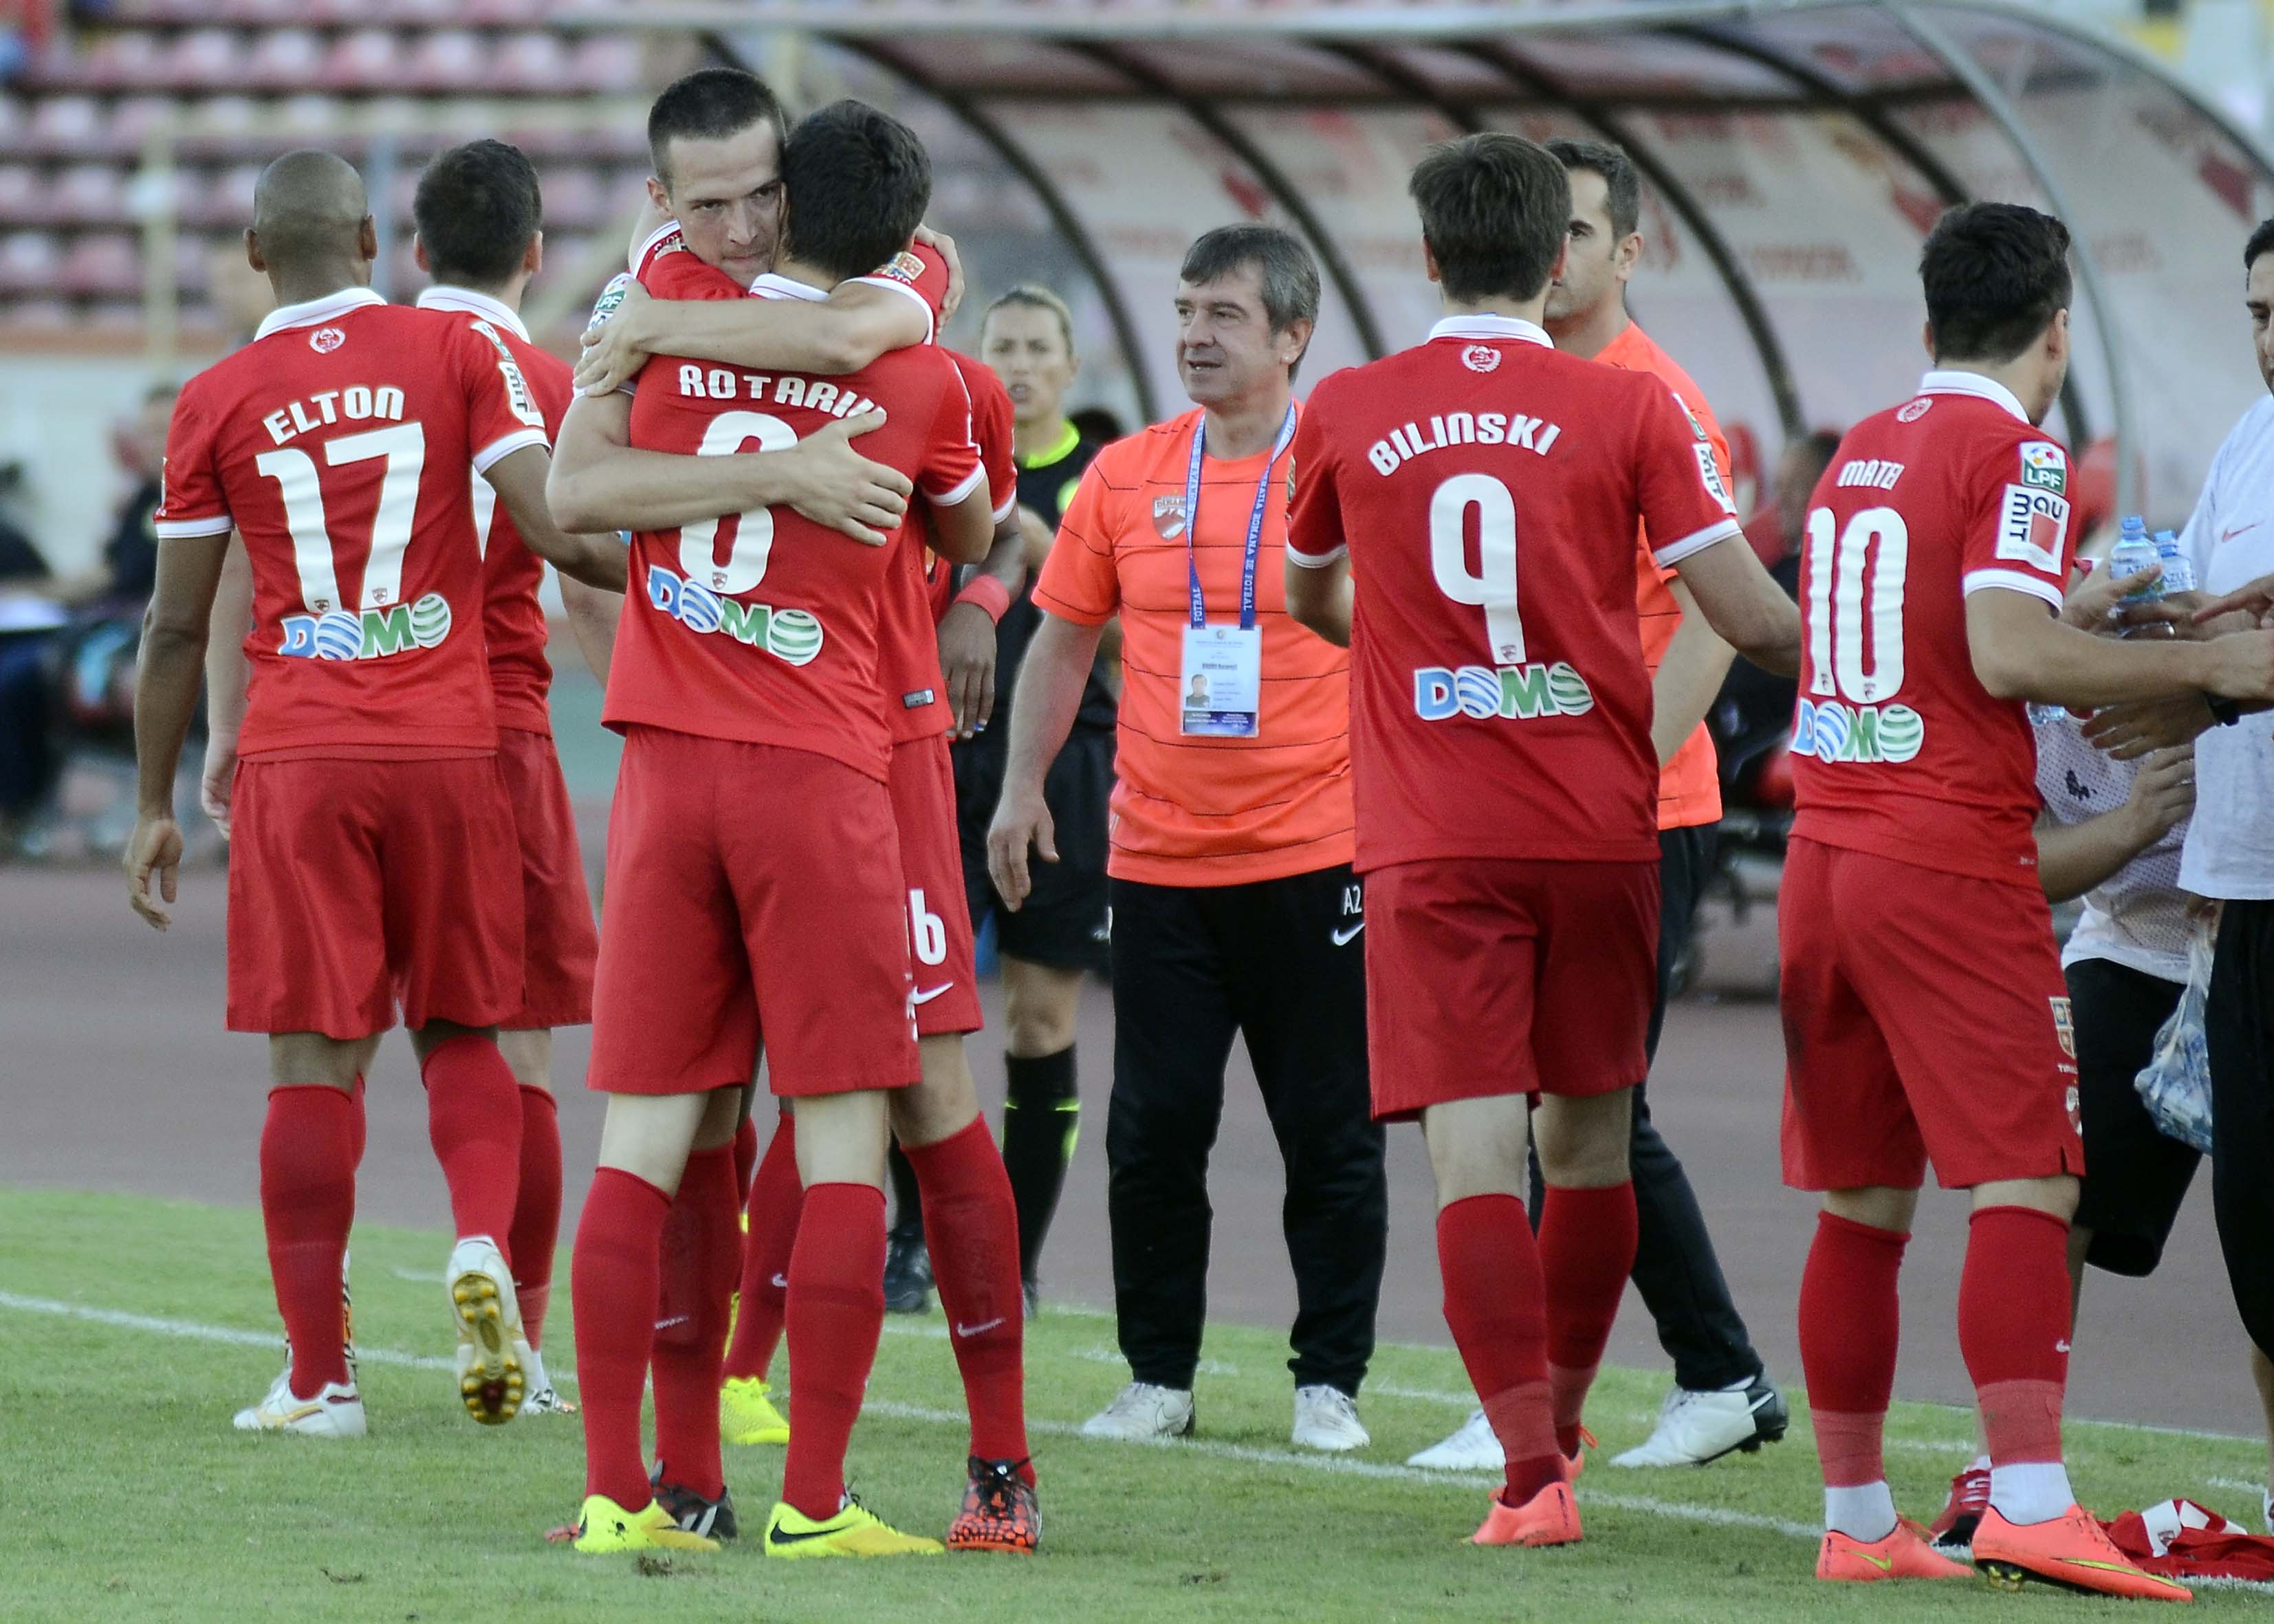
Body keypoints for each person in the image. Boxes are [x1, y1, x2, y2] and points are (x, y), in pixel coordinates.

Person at [1282, 131, 1800, 1549]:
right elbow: (1746, 615)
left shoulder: (1346, 404)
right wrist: (1847, 647)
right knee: (1585, 1144)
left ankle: (1528, 1474)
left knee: (1469, 1158)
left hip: (1435, 832)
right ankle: (1560, 1428)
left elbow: (1308, 589)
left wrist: (1405, 646)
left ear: (1429, 256)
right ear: (1556, 256)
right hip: (1598, 821)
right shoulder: (1624, 410)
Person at [1775, 201, 2274, 1598]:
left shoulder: (1859, 451)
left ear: (1927, 324)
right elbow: (2000, 648)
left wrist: (2093, 632)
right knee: (2030, 1173)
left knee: (1862, 1202)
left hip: (1828, 847)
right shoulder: (2020, 450)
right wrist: (2214, 676)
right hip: (1941, 856)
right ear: (2057, 329)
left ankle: (1857, 1513)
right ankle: (2032, 1498)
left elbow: (1947, 632)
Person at [543, 87, 997, 1560]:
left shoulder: (647, 317)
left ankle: (620, 1493)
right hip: (821, 770)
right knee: (851, 1131)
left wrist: (654, 329)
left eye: (755, 200)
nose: (733, 227)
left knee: (644, 1140)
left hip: (665, 769)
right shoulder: (922, 366)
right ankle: (812, 1502)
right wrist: (800, 471)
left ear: (787, 199)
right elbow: (969, 528)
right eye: (708, 204)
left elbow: (579, 496)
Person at [122, 149, 624, 1438]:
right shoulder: (457, 359)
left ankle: (320, 1379)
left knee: (314, 1057)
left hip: (301, 743)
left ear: (249, 257)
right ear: (364, 240)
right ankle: (482, 1252)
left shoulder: (215, 397)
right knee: (473, 1028)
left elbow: (175, 630)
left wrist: (154, 802)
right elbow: (565, 532)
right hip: (459, 741)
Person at [989, 224, 1389, 1455]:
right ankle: (1157, 1375)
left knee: (1329, 1127)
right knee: (1154, 1129)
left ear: (1290, 336)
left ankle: (1330, 1383)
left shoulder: (1349, 469)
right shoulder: (1125, 474)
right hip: (1160, 861)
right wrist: (1023, 788)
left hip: (1319, 852)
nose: (1195, 335)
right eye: (1185, 310)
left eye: (1223, 314)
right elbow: (1061, 637)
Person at [2095, 214, 2274, 1532]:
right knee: (2261, 1237)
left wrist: (2205, 689)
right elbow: (2224, 621)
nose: (2270, 340)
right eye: (2259, 312)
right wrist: (2171, 621)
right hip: (2237, 884)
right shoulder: (2247, 442)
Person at [410, 138, 593, 1416]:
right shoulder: (548, 384)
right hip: (502, 725)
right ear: (535, 253)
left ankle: (318, 1360)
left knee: (322, 1050)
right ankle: (523, 1338)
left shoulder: (356, 365)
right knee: (516, 1036)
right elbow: (585, 567)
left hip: (344, 726)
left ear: (411, 249)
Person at [965, 283, 1115, 1317]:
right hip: (939, 758)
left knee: (1035, 1018)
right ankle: (911, 1242)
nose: (1018, 366)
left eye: (1036, 348)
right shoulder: (944, 470)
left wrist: (1037, 535)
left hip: (1059, 776)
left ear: (1069, 369)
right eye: (1001, 347)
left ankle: (1013, 1256)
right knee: (904, 1020)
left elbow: (1127, 638)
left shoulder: (1102, 483)